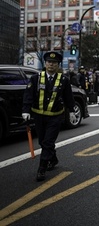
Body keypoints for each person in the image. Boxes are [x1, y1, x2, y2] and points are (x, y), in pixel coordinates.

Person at [22, 51, 76, 181]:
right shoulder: (35, 78)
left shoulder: (64, 80)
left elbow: (68, 97)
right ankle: (53, 159)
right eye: (49, 62)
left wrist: (72, 111)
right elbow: (28, 96)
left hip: (55, 116)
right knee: (42, 141)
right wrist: (26, 111)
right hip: (39, 116)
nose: (51, 64)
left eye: (54, 63)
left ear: (58, 65)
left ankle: (42, 168)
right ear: (45, 63)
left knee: (48, 141)